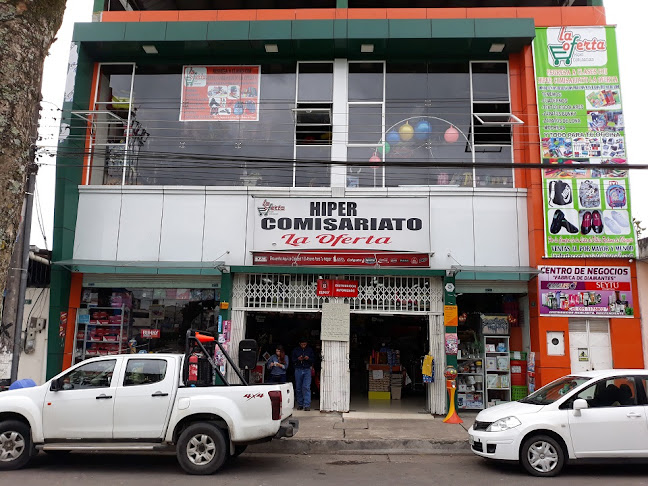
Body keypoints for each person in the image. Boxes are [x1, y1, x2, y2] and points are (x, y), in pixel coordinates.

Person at [292, 338, 315, 411]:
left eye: (304, 344)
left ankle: (307, 405)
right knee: (298, 388)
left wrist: (308, 358)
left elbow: (313, 359)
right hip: (298, 369)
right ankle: (300, 404)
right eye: (302, 344)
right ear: (299, 344)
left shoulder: (310, 350)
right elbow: (292, 360)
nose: (303, 346)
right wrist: (298, 359)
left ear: (306, 343)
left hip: (307, 369)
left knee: (306, 387)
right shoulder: (296, 350)